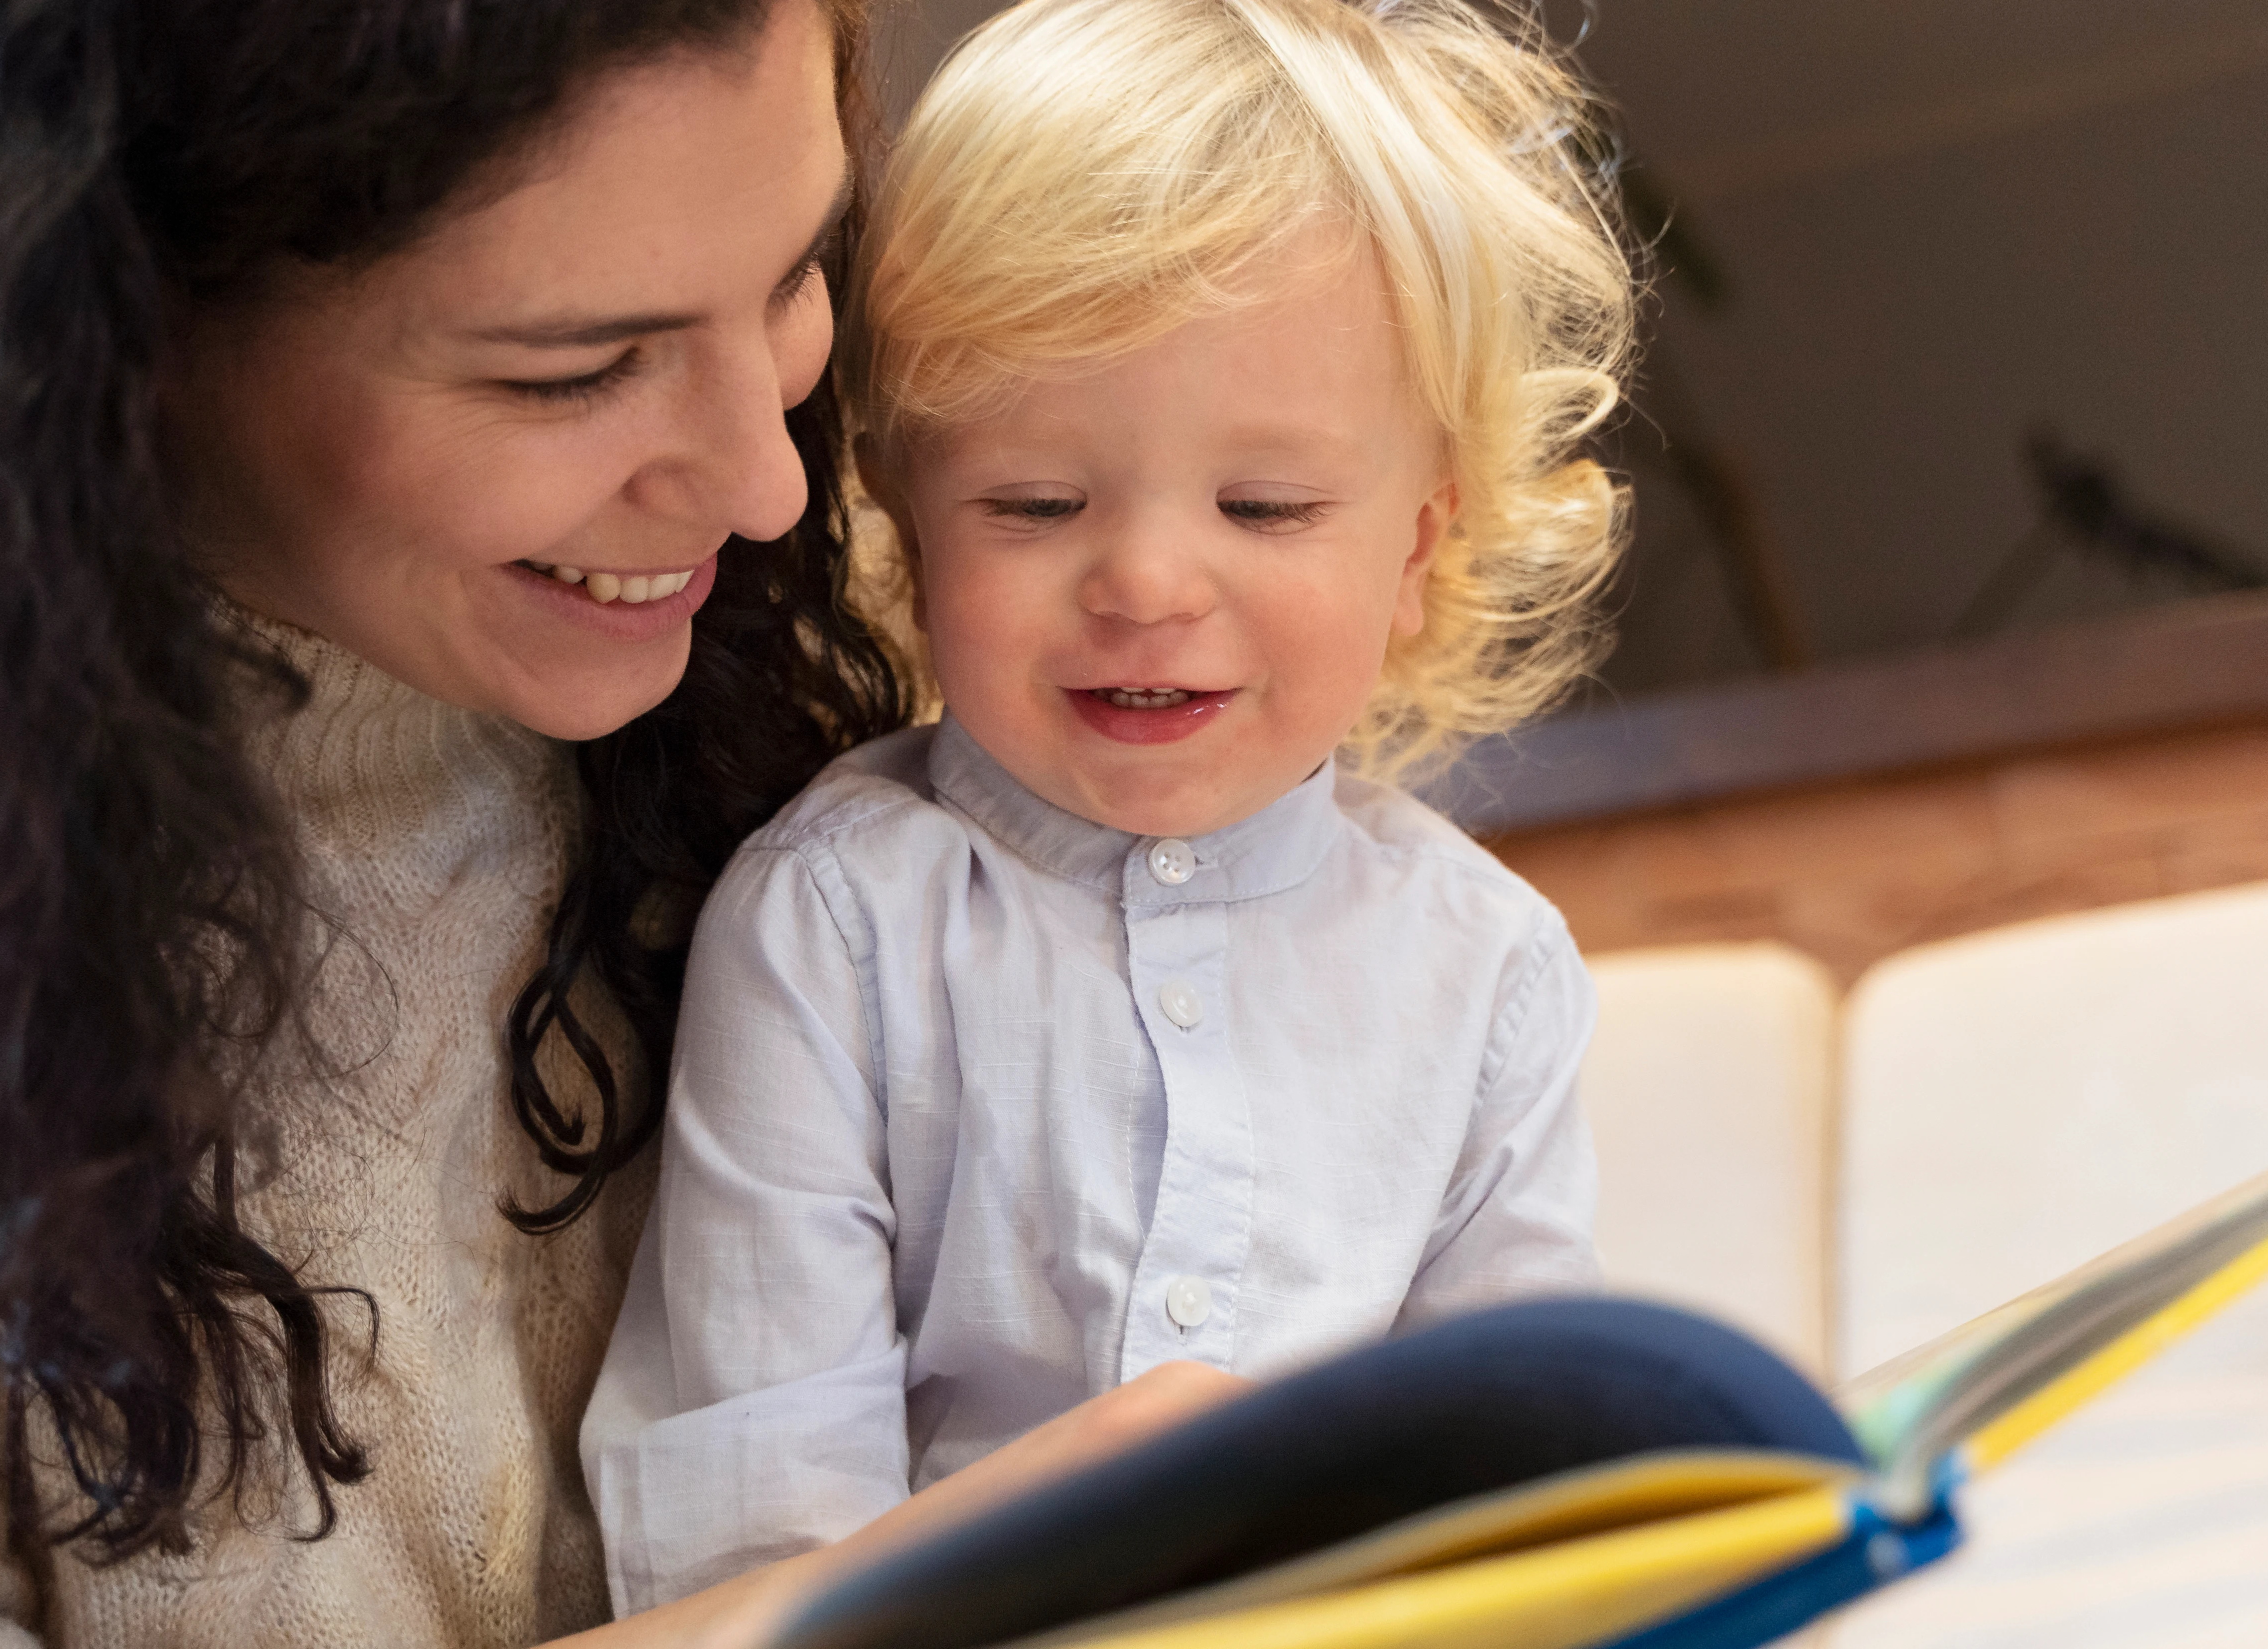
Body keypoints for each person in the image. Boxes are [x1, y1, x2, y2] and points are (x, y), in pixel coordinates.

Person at [0, 3, 1238, 1645]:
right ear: (105, 324)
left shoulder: (872, 657)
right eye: (577, 371)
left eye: (787, 278)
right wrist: (842, 1614)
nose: (768, 483)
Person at [582, 0, 1637, 1611]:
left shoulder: (1487, 974)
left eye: (1264, 505)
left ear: (1420, 547)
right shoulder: (834, 925)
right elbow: (752, 1517)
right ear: (905, 522)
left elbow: (1511, 1475)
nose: (1144, 581)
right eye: (1034, 503)